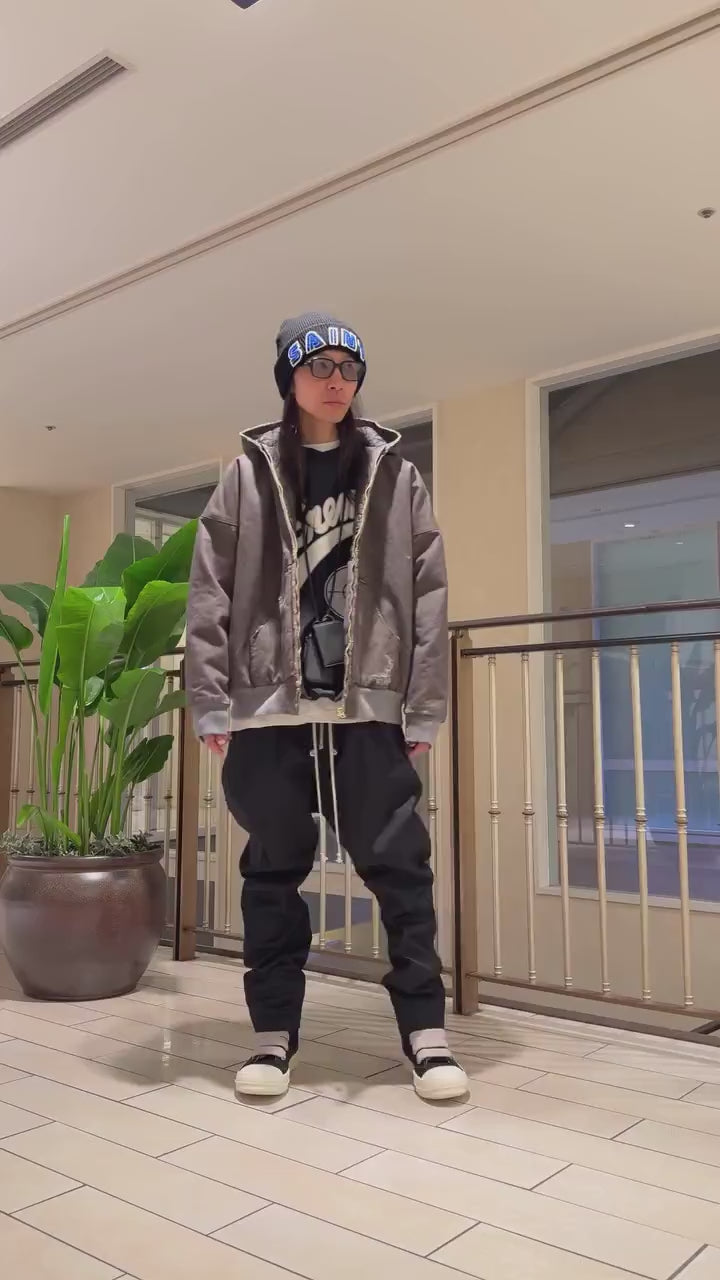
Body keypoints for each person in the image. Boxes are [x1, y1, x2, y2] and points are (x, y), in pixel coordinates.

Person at [186, 312, 468, 1102]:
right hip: (269, 715)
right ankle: (272, 1037)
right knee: (271, 878)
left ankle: (426, 1033)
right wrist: (211, 703)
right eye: (320, 366)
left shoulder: (395, 474)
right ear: (291, 379)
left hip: (367, 712)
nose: (337, 380)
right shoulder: (246, 477)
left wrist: (423, 705)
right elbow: (208, 594)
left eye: (349, 367)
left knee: (401, 873)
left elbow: (430, 596)